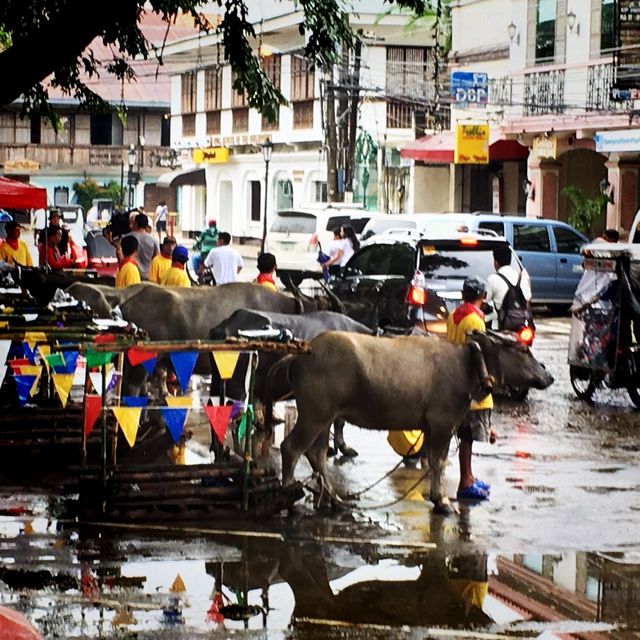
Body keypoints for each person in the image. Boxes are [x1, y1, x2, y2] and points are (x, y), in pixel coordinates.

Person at [446, 276, 495, 501]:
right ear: (482, 296)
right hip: (471, 385)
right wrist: (485, 381)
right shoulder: (475, 320)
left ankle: (470, 476)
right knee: (467, 436)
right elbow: (478, 354)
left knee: (465, 434)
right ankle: (465, 481)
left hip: (454, 380)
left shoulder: (453, 317)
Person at [485, 246, 532, 331]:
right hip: (522, 324)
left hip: (499, 326)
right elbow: (528, 298)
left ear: (495, 262)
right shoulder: (522, 276)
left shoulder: (492, 279)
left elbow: (484, 301)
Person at [125, 213, 158, 280]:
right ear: (146, 225)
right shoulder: (154, 240)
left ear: (136, 224)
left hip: (131, 274)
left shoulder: (126, 238)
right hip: (148, 275)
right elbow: (156, 259)